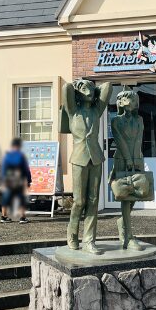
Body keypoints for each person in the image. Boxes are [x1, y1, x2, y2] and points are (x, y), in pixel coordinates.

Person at [63, 79, 112, 254]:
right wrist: (79, 86)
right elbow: (66, 88)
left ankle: (89, 240)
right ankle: (72, 235)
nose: (89, 92)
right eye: (85, 89)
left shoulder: (96, 110)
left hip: (96, 158)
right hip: (79, 158)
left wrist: (93, 88)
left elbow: (107, 87)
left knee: (93, 200)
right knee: (79, 201)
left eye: (91, 89)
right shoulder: (72, 111)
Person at [110, 88, 145, 251]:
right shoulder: (116, 121)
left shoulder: (139, 120)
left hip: (137, 158)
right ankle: (128, 237)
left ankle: (122, 222)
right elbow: (120, 141)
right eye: (126, 99)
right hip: (122, 159)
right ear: (120, 103)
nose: (130, 102)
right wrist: (129, 160)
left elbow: (139, 140)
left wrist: (137, 160)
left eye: (133, 99)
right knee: (125, 195)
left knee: (136, 193)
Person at [0, 137, 32, 224]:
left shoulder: (7, 156)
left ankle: (4, 217)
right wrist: (29, 181)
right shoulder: (21, 156)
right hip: (19, 180)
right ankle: (22, 218)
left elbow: (3, 169)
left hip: (8, 180)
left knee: (6, 198)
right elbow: (26, 170)